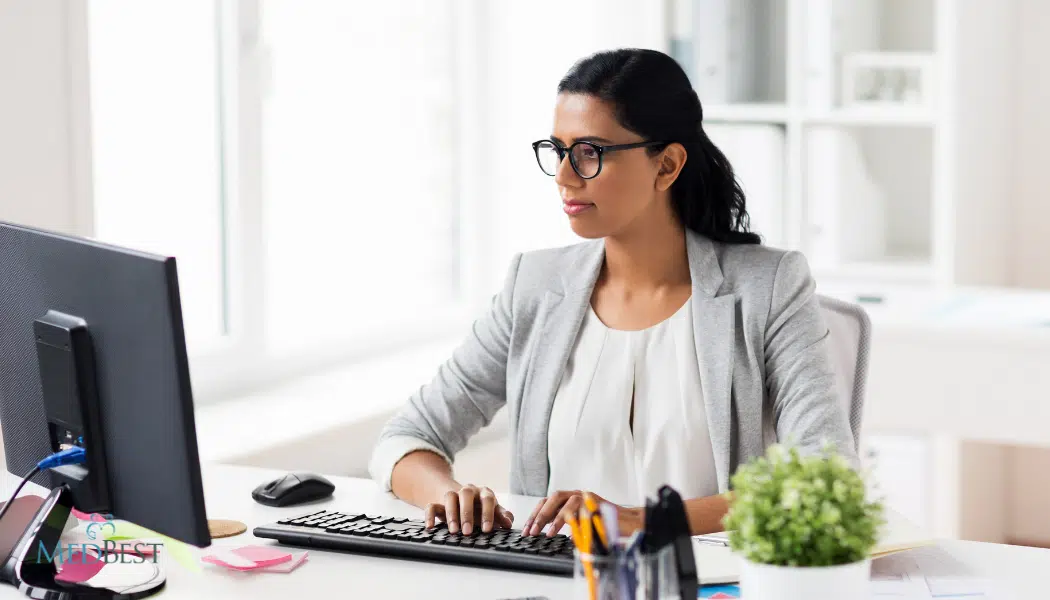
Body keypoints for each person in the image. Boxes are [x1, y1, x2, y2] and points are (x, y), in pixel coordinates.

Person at [368, 48, 856, 539]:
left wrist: (642, 521)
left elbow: (826, 478)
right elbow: (409, 436)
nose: (563, 177)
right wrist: (447, 495)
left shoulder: (767, 288)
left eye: (589, 153)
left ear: (666, 166)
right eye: (558, 150)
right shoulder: (536, 287)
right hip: (554, 583)